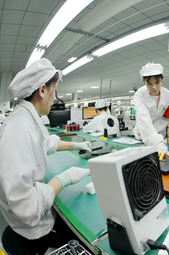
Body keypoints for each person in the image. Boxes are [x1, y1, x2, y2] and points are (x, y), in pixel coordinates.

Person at [0, 58, 92, 254]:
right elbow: (28, 207)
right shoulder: (19, 128)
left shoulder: (26, 116)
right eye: (54, 90)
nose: (54, 96)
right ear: (42, 90)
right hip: (31, 230)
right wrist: (64, 178)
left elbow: (45, 142)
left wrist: (76, 144)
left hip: (27, 222)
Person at [133, 62, 169, 155]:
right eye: (149, 83)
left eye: (157, 82)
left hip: (160, 134)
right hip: (142, 132)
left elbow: (166, 118)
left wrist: (157, 139)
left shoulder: (168, 95)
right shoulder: (139, 94)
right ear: (143, 81)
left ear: (162, 79)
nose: (154, 87)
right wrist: (151, 136)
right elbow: (143, 117)